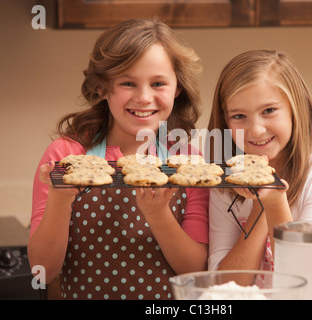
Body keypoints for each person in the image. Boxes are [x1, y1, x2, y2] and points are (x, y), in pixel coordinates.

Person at [28, 18, 209, 300]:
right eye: (128, 82)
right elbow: (43, 271)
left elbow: (195, 273)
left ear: (177, 88)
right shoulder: (66, 156)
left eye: (158, 83)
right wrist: (60, 200)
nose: (144, 97)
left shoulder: (188, 163)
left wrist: (158, 215)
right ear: (101, 88)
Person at [207, 50, 312, 271]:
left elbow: (310, 279)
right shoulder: (225, 189)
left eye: (269, 110)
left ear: (295, 109)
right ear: (225, 122)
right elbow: (223, 287)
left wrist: (274, 202)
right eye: (239, 116)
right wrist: (260, 208)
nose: (256, 130)